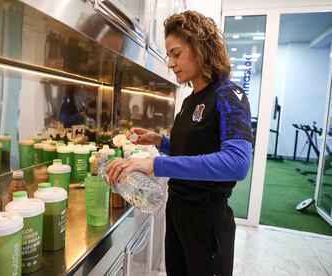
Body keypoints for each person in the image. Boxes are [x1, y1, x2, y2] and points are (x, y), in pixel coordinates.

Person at [107, 10, 252, 276]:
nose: (171, 63)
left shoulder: (229, 95)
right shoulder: (190, 101)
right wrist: (161, 142)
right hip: (177, 212)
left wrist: (155, 164)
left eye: (176, 53)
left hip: (206, 220)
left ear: (201, 48)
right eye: (169, 55)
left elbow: (237, 163)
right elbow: (193, 152)